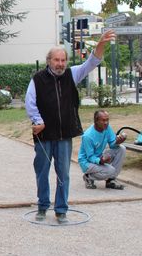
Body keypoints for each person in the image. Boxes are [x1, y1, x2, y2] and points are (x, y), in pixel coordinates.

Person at [25, 30, 116, 224]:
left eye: (63, 60)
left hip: (64, 134)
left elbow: (91, 62)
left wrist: (100, 43)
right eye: (56, 60)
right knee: (41, 171)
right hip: (44, 135)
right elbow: (30, 102)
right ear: (49, 60)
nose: (60, 64)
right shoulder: (37, 79)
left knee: (63, 173)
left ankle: (61, 210)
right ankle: (42, 206)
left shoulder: (71, 74)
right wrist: (37, 120)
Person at [78, 110, 127, 190]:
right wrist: (101, 161)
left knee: (121, 148)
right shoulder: (88, 136)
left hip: (99, 155)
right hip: (86, 162)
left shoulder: (107, 128)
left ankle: (110, 181)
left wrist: (118, 142)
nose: (106, 123)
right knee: (111, 170)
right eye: (103, 120)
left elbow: (112, 144)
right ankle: (88, 176)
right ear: (96, 121)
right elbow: (90, 157)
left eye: (107, 120)